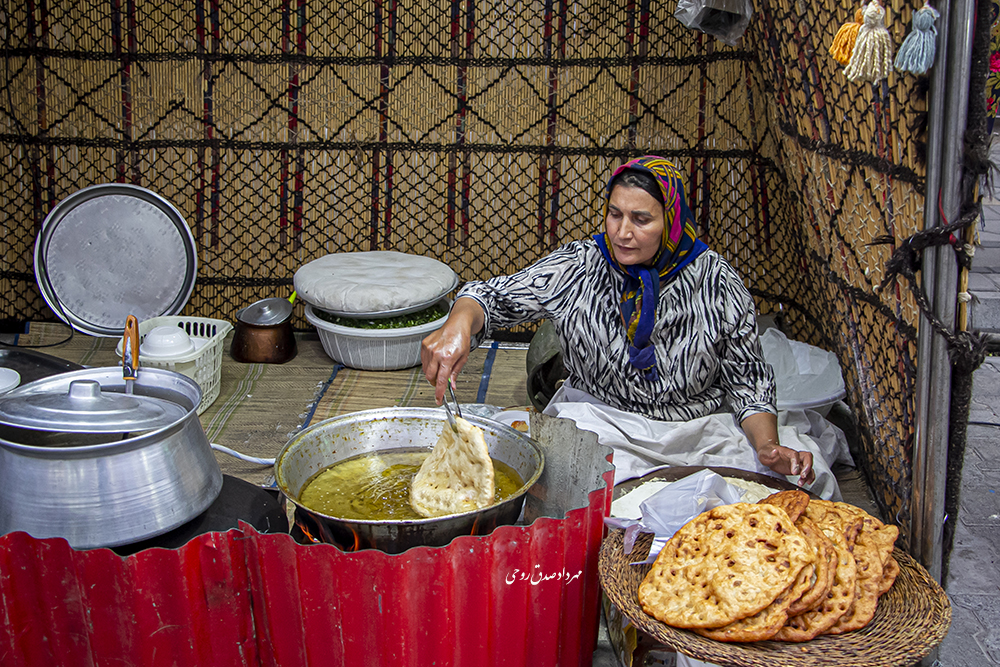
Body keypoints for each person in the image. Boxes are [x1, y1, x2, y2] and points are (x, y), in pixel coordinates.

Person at [421, 155, 830, 493]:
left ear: (672, 220)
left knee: (799, 485)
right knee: (557, 491)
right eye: (614, 214)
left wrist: (767, 446)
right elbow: (492, 297)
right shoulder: (581, 266)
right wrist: (460, 322)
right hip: (601, 423)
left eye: (641, 219)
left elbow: (748, 382)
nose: (622, 232)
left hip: (697, 432)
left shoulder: (715, 281)